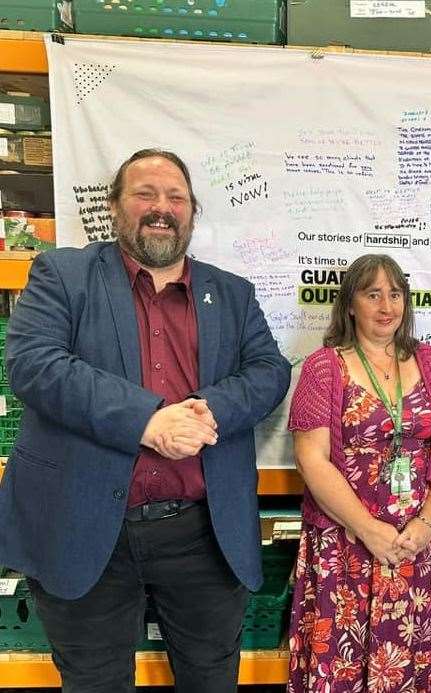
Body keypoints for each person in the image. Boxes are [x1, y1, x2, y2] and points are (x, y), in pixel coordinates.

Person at [0, 149, 292, 692]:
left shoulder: (231, 293)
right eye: (145, 194)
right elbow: (34, 365)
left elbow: (270, 371)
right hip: (84, 530)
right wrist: (149, 420)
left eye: (175, 197)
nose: (162, 208)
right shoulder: (63, 275)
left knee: (211, 681)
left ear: (192, 213)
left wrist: (211, 411)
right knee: (95, 684)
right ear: (114, 207)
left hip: (202, 535)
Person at [287, 253, 431, 692]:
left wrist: (427, 523)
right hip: (346, 547)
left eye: (395, 294)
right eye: (372, 295)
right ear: (350, 304)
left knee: (415, 668)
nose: (387, 306)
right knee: (341, 670)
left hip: (416, 547)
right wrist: (368, 529)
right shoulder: (323, 368)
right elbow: (311, 458)